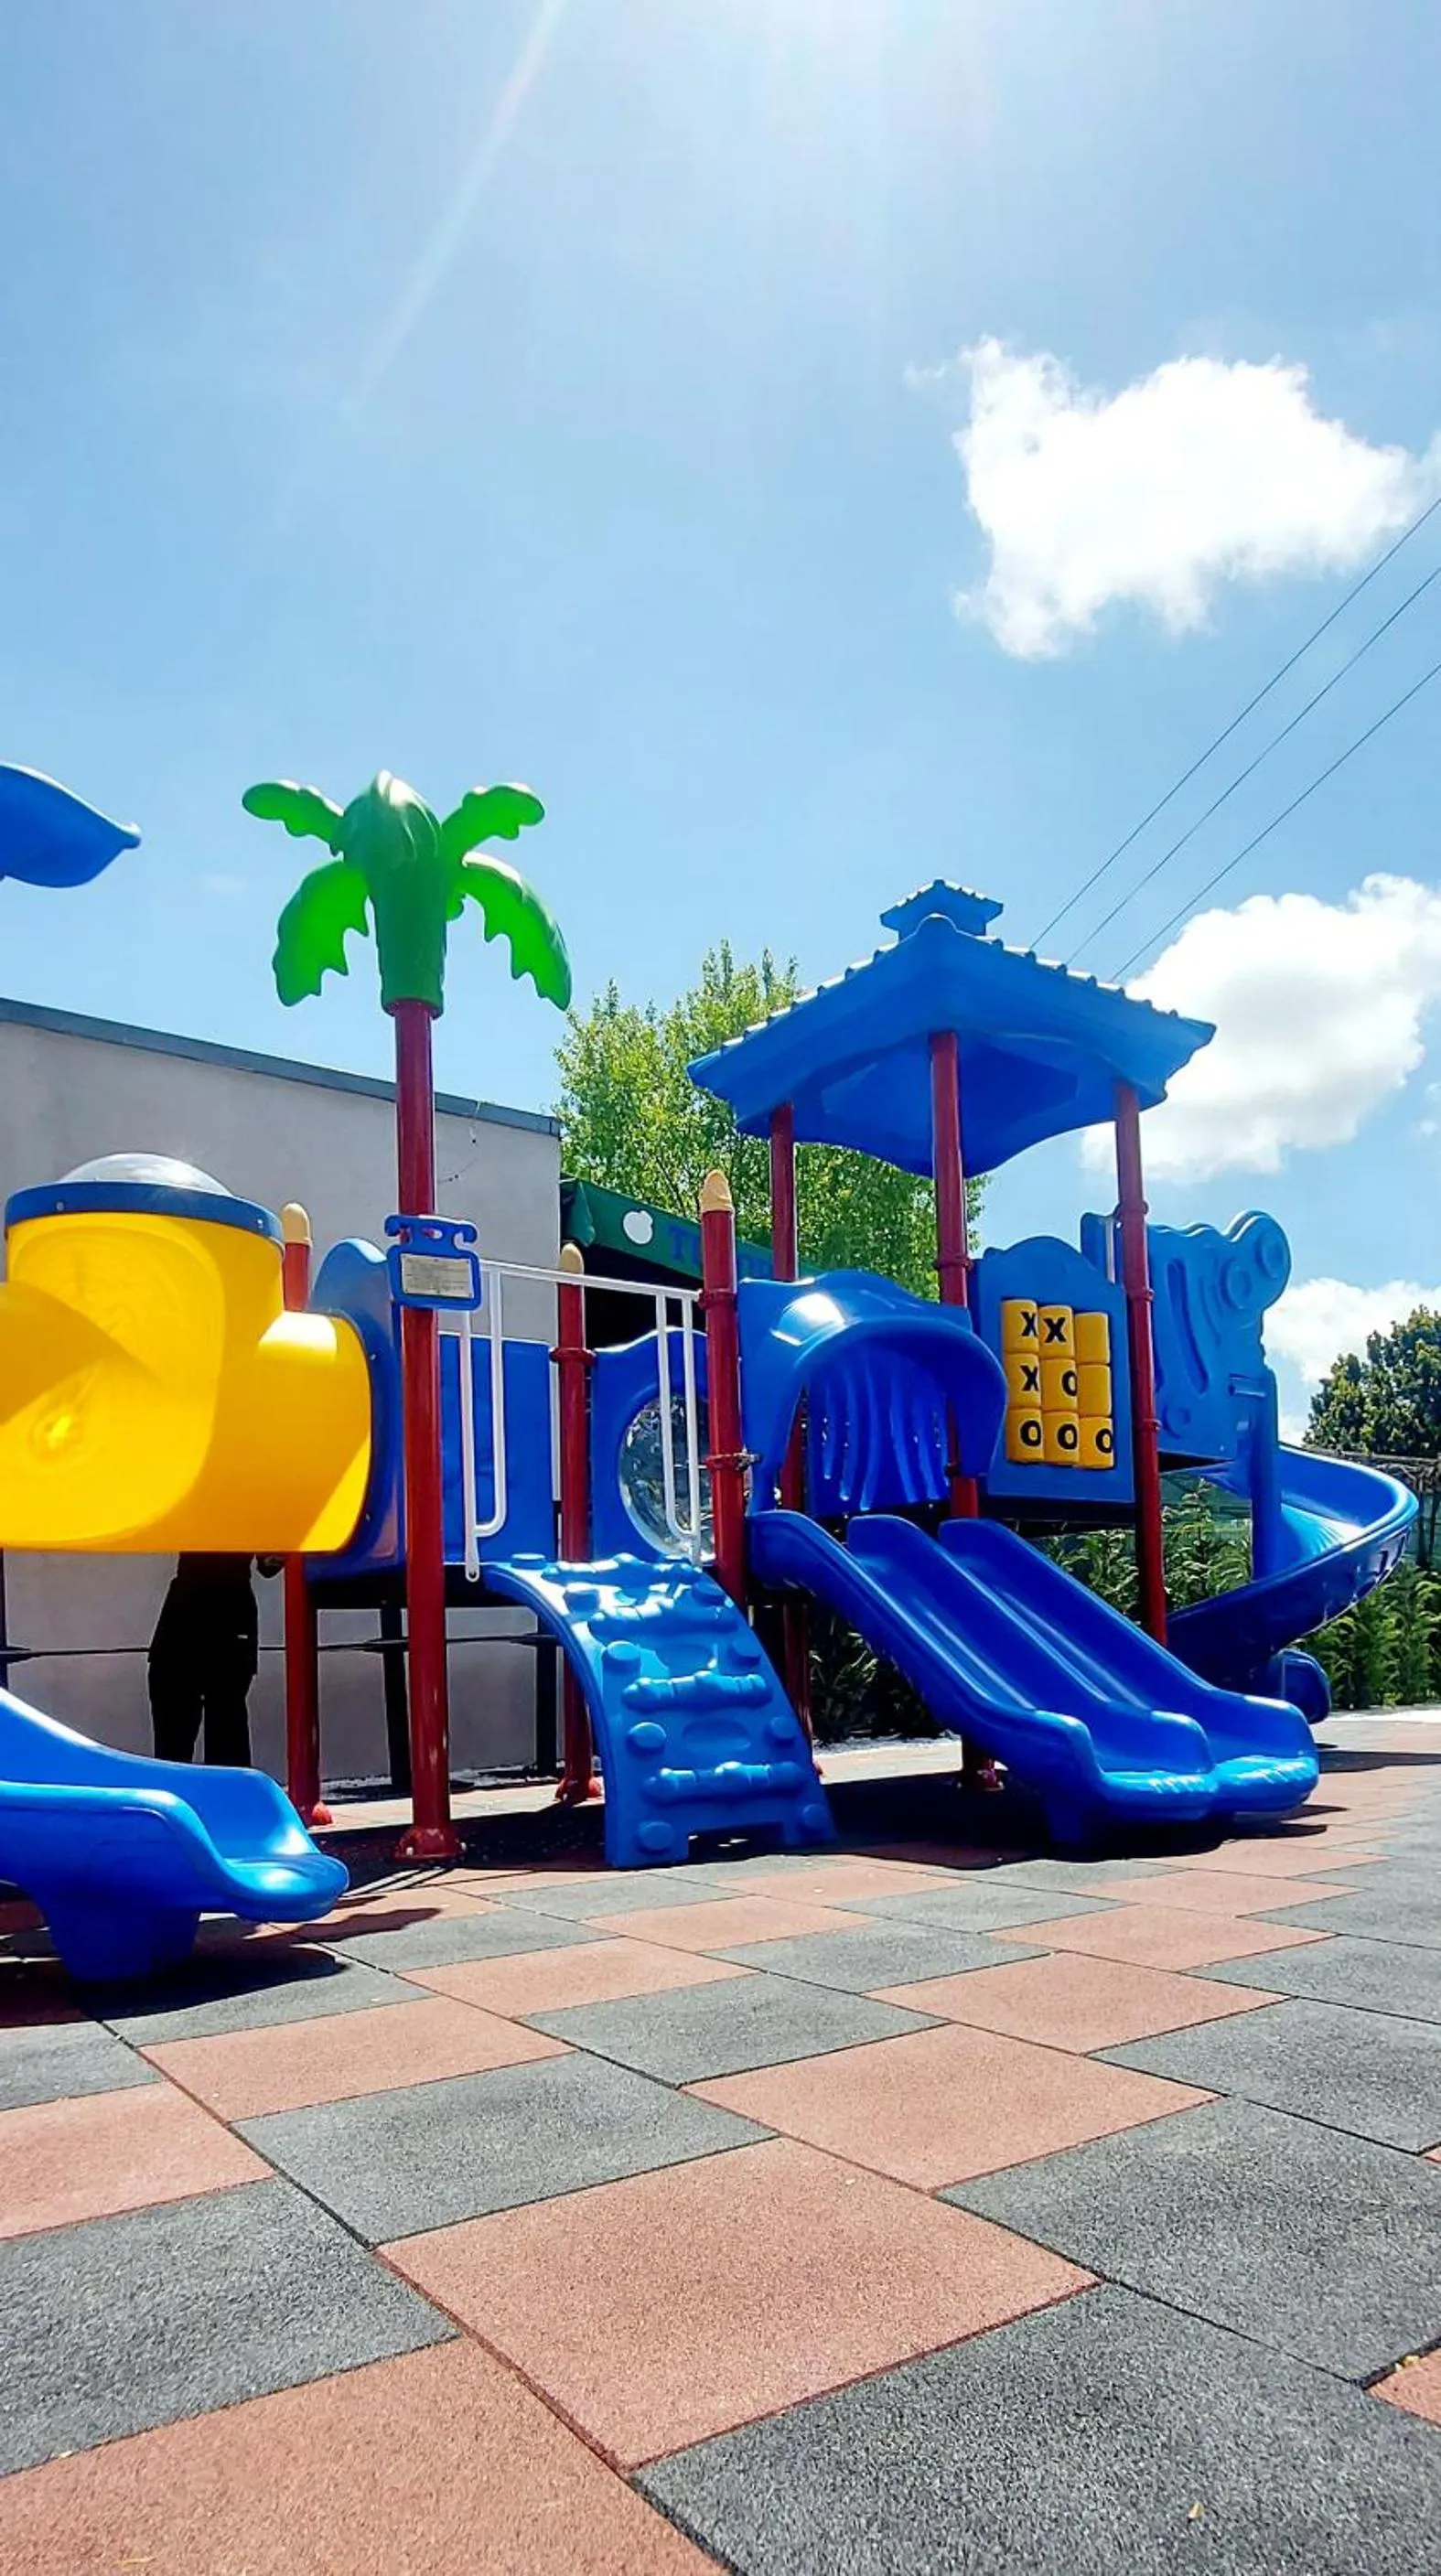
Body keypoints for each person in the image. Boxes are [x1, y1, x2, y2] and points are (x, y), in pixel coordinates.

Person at [148, 1554, 279, 1769]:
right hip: (205, 1608)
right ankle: (217, 1791)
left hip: (212, 1607)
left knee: (221, 1716)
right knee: (197, 1716)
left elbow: (269, 1563)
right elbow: (268, 1565)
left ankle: (214, 1790)